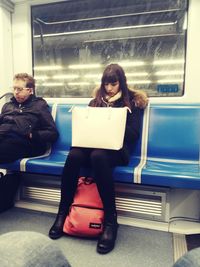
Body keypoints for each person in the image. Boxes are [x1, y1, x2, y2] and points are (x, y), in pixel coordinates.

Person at [49, 63, 148, 254]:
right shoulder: (95, 102)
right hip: (93, 146)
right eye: (106, 84)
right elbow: (87, 129)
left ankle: (111, 220)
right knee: (74, 154)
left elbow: (134, 134)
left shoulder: (132, 103)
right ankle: (62, 212)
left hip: (117, 151)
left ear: (121, 83)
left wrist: (113, 122)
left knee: (98, 156)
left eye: (113, 84)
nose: (109, 89)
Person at [0, 73, 58, 163]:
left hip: (25, 142)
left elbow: (53, 133)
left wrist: (32, 135)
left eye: (19, 89)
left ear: (30, 90)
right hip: (4, 137)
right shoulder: (8, 106)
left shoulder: (38, 106)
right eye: (14, 88)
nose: (15, 92)